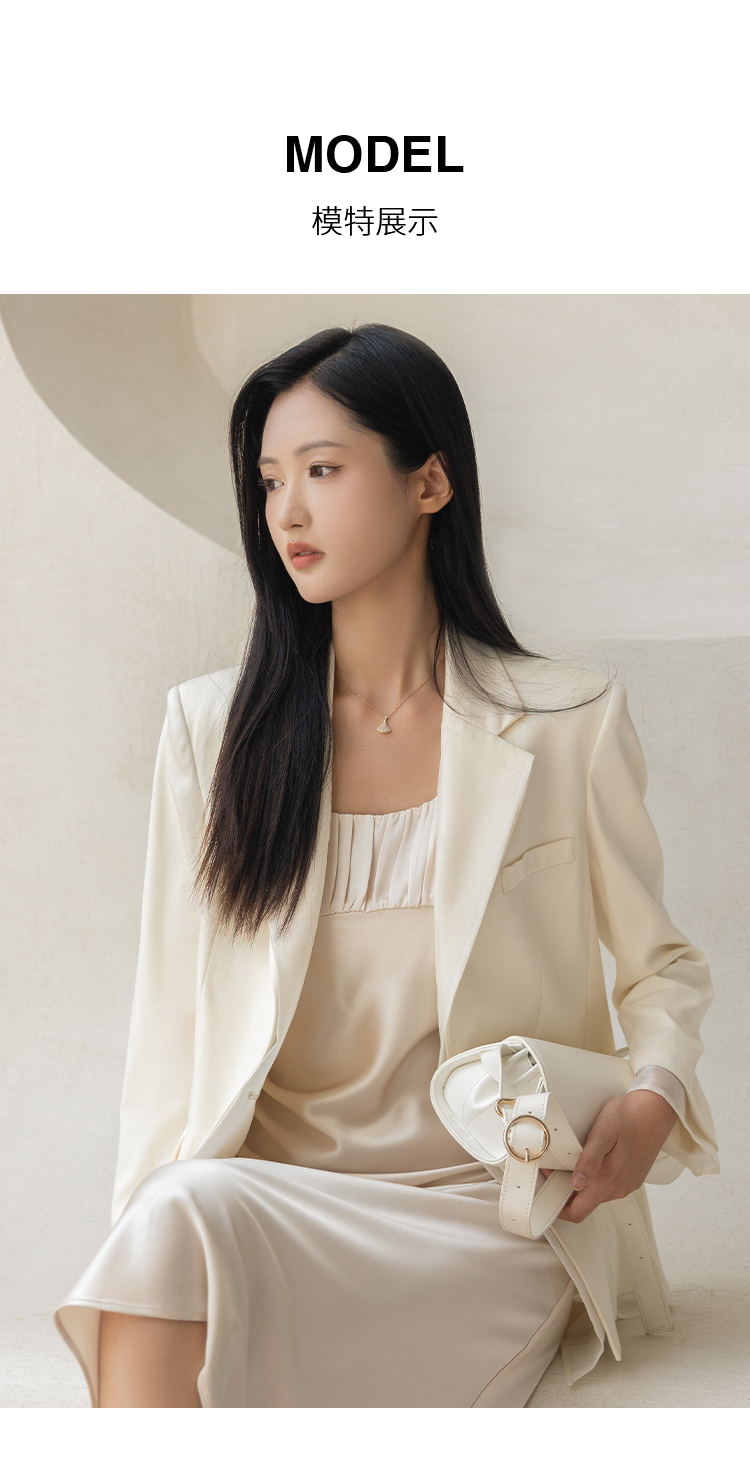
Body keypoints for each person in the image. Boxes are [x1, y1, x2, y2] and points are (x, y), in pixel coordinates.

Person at [54, 323, 719, 1408]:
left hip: (490, 1214)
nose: (287, 513)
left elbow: (663, 968)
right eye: (270, 481)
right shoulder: (211, 732)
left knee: (190, 1243)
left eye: (322, 470)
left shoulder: (567, 721)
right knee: (178, 1219)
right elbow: (168, 1024)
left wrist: (652, 1099)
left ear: (430, 482)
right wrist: (140, 1222)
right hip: (265, 1196)